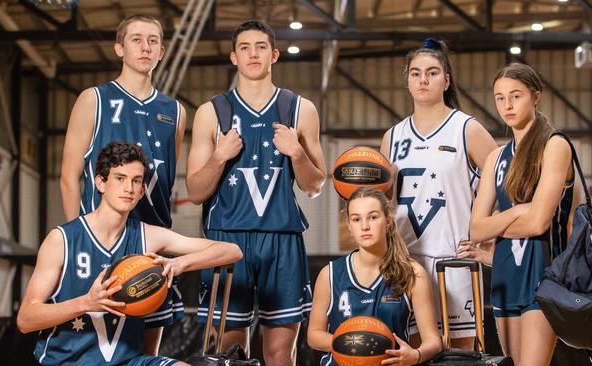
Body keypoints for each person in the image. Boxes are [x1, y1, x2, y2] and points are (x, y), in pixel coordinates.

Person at [17, 142, 242, 366]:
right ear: (100, 183)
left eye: (136, 181)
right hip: (68, 362)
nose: (129, 188)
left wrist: (179, 264)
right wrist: (85, 303)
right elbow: (26, 319)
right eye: (120, 178)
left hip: (129, 361)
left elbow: (231, 251)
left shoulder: (148, 237)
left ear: (143, 190)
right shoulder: (62, 240)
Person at [185, 20, 326, 364]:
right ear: (233, 57)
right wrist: (219, 156)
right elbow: (194, 192)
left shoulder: (299, 109)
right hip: (227, 239)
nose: (253, 54)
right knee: (231, 351)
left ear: (274, 54)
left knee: (280, 353)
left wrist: (297, 153)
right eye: (245, 47)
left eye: (261, 46)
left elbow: (315, 185)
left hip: (282, 239)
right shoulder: (211, 112)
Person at [59, 14, 186, 354]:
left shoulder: (175, 111)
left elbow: (163, 182)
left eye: (153, 41)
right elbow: (69, 176)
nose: (146, 47)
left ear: (162, 51)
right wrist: (76, 243)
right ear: (119, 48)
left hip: (150, 250)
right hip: (100, 248)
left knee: (145, 354)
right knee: (94, 352)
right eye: (136, 39)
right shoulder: (94, 99)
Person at [380, 38, 497, 349]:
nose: (423, 79)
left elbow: (508, 186)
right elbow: (384, 204)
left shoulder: (466, 129)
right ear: (407, 79)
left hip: (454, 260)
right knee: (413, 352)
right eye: (416, 73)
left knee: (458, 358)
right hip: (406, 263)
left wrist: (491, 239)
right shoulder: (393, 137)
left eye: (432, 73)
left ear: (446, 80)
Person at [462, 62, 573, 365]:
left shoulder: (555, 145)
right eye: (500, 97)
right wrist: (518, 212)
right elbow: (475, 230)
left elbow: (538, 223)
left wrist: (497, 224)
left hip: (544, 274)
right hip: (505, 274)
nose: (507, 105)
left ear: (536, 96)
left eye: (516, 96)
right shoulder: (497, 157)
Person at [307, 187, 441, 365]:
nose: (364, 226)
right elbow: (314, 334)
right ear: (349, 226)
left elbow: (433, 341)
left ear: (388, 222)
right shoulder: (330, 274)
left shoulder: (412, 273)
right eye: (356, 219)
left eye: (373, 217)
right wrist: (352, 345)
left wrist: (415, 355)